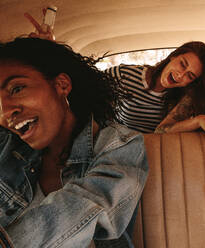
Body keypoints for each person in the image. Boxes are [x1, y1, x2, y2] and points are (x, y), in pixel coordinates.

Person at [0, 37, 148, 247]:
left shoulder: (118, 144)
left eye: (17, 89)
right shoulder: (6, 146)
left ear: (62, 85)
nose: (5, 113)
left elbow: (91, 206)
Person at [24, 9, 205, 133]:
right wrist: (51, 50)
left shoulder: (180, 102)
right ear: (173, 57)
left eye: (190, 76)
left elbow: (165, 132)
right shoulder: (125, 75)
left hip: (147, 155)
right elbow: (82, 81)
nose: (181, 75)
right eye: (183, 64)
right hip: (112, 145)